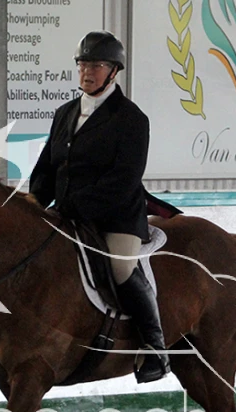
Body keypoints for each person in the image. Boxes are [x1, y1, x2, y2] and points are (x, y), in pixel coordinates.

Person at [29, 31, 170, 383]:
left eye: (96, 65)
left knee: (120, 267)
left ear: (114, 71)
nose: (87, 72)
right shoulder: (65, 113)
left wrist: (75, 206)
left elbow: (124, 178)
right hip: (66, 214)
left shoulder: (131, 119)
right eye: (82, 64)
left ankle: (155, 347)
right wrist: (33, 206)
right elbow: (47, 167)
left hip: (116, 216)